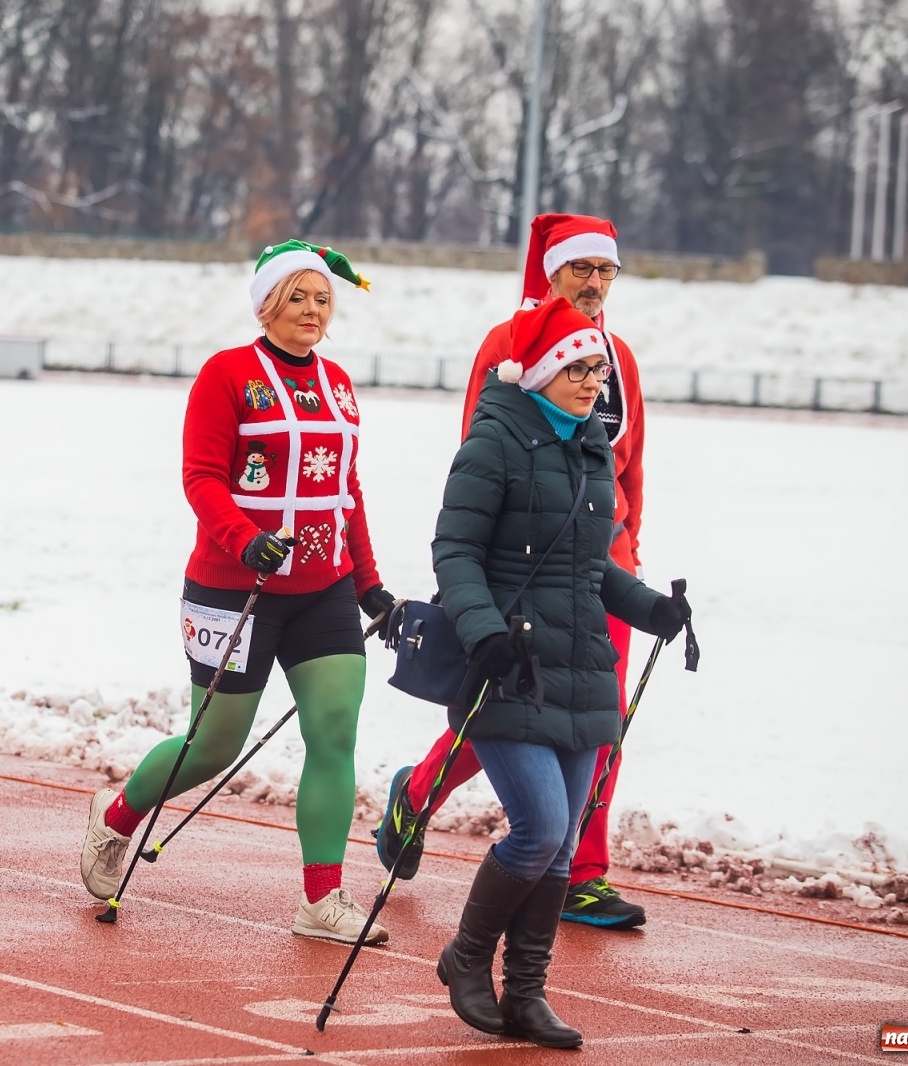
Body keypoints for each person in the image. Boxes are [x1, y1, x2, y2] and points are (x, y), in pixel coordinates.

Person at [78, 240, 398, 943]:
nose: (312, 310)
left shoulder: (339, 383)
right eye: (298, 297)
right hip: (236, 587)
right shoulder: (226, 375)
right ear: (267, 304)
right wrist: (245, 537)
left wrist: (369, 584)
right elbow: (201, 478)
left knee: (335, 731)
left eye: (322, 299)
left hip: (325, 590)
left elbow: (347, 491)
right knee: (215, 743)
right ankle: (116, 816)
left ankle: (322, 900)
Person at [376, 213, 654, 929]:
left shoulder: (618, 355)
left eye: (606, 271)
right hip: (524, 571)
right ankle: (416, 797)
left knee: (597, 721)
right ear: (552, 271)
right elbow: (484, 450)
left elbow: (633, 470)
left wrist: (632, 556)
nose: (594, 284)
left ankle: (584, 872)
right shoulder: (509, 346)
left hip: (600, 569)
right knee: (508, 714)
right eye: (580, 269)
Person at [431, 296, 690, 1046]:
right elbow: (455, 554)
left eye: (597, 367)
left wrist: (651, 610)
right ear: (541, 371)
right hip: (510, 667)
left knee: (564, 843)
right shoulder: (493, 443)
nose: (591, 379)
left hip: (582, 667)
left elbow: (593, 567)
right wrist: (483, 635)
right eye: (578, 367)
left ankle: (528, 995)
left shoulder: (591, 450)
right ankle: (467, 957)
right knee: (539, 827)